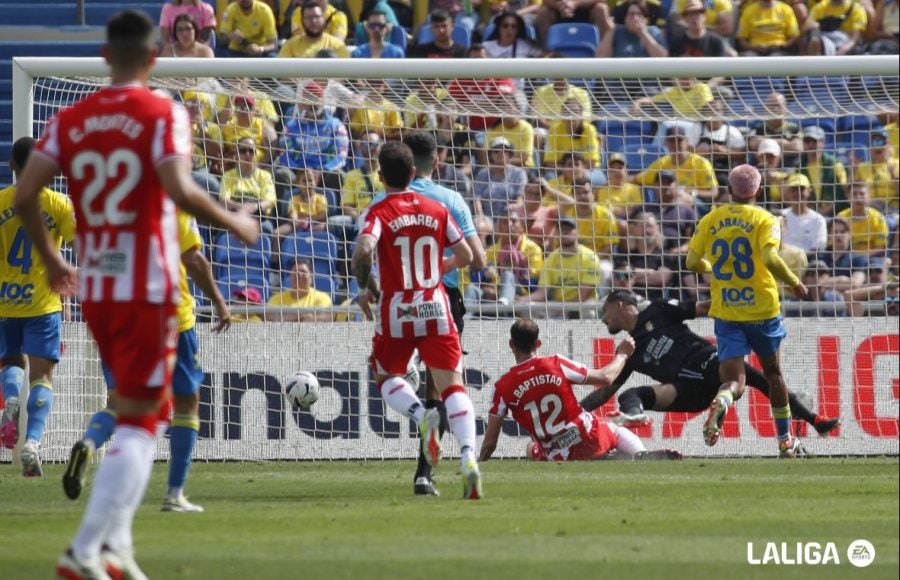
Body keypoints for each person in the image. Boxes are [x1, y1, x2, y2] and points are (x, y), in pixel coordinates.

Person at [12, 10, 258, 578]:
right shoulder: (162, 112)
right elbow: (178, 188)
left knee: (134, 409)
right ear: (154, 58)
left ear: (104, 56)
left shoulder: (70, 118)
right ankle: (85, 548)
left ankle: (117, 548)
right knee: (147, 419)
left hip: (96, 284)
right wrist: (235, 223)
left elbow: (26, 193)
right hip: (148, 285)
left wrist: (52, 260)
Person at [62, 208, 232, 513]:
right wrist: (219, 302)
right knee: (185, 402)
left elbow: (100, 260)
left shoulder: (115, 208)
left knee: (120, 402)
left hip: (119, 315)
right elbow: (193, 259)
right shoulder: (172, 204)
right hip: (170, 318)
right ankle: (174, 493)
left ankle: (89, 442)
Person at [352, 141, 483, 499]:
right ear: (414, 173)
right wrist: (441, 267)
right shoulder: (438, 207)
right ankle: (469, 457)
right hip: (436, 304)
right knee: (452, 386)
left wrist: (366, 285)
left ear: (380, 176)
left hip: (397, 309)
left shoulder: (378, 211)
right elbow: (468, 254)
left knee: (385, 375)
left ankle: (418, 415)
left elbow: (364, 251)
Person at [583, 290, 841, 437]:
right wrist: (573, 410)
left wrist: (739, 301)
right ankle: (634, 414)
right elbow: (605, 391)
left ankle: (814, 419)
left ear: (619, 305)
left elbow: (702, 307)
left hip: (706, 362)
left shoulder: (658, 310)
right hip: (690, 392)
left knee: (762, 379)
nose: (603, 320)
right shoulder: (628, 348)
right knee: (631, 394)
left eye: (604, 312)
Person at [685, 165, 809, 458]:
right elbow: (769, 256)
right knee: (773, 374)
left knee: (734, 381)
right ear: (758, 191)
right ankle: (785, 440)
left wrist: (712, 268)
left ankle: (725, 399)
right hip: (762, 311)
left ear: (729, 190)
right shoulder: (766, 219)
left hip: (727, 311)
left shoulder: (710, 219)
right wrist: (793, 282)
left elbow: (691, 262)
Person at [479, 318, 683, 462]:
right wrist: (622, 354)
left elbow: (490, 442)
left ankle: (610, 454)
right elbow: (606, 377)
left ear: (511, 345)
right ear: (538, 343)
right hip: (587, 437)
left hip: (556, 452)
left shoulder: (502, 387)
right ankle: (639, 454)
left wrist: (479, 461)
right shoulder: (555, 363)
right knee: (614, 430)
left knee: (531, 449)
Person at [0, 137, 75, 476]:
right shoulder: (59, 204)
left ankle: (11, 401)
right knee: (43, 376)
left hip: (4, 302)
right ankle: (32, 442)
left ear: (11, 165)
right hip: (43, 303)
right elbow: (78, 244)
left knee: (11, 362)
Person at [266, 259, 333, 322]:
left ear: (311, 276)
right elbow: (268, 316)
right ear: (290, 277)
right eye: (295, 272)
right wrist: (300, 315)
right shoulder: (278, 298)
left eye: (303, 271)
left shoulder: (322, 297)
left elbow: (327, 318)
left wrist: (287, 319)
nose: (299, 274)